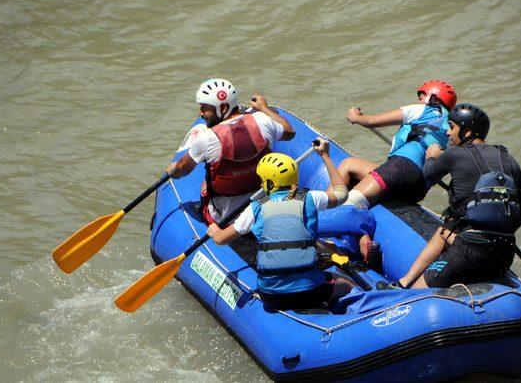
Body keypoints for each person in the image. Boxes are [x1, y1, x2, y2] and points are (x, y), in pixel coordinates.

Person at [206, 139, 356, 310]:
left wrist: (214, 230)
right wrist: (325, 155)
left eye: (262, 180)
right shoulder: (311, 198)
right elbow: (341, 193)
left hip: (271, 296)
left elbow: (220, 239)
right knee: (346, 283)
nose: (260, 184)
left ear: (269, 183)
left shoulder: (255, 208)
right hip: (312, 291)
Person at [396, 104, 521, 288]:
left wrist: (431, 156)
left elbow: (428, 174)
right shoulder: (509, 159)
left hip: (469, 251)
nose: (447, 133)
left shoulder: (455, 154)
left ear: (467, 133)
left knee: (416, 292)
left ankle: (407, 286)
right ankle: (404, 280)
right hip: (504, 253)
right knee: (446, 229)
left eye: (451, 127)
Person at [165, 78, 295, 224]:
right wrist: (264, 108)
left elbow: (182, 169)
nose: (200, 114)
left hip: (225, 217)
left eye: (204, 108)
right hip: (263, 205)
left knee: (205, 184)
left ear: (224, 108)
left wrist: (172, 170)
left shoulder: (207, 138)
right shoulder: (262, 120)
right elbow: (290, 132)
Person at [339, 79, 457, 210]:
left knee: (351, 198)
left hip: (400, 168)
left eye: (421, 98)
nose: (418, 102)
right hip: (418, 190)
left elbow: (370, 122)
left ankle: (326, 209)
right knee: (351, 165)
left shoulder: (424, 110)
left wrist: (355, 117)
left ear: (431, 97)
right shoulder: (453, 131)